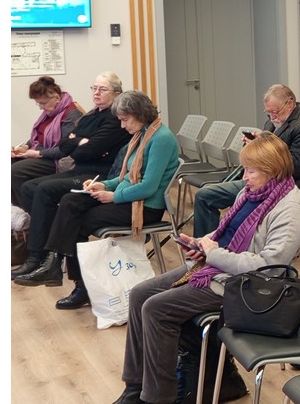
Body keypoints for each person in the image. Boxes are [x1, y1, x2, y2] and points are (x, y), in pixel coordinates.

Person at [111, 133, 300, 404]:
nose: (245, 176)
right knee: (139, 294)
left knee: (156, 309)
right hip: (218, 268)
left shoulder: (290, 207)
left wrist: (214, 253)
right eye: (245, 169)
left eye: (251, 170)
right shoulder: (251, 192)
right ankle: (136, 386)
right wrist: (202, 244)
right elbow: (228, 231)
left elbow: (267, 267)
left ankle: (157, 398)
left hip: (248, 286)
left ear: (272, 170)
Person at [13, 91, 180, 312]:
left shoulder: (161, 139)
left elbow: (148, 187)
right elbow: (127, 177)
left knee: (75, 221)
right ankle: (54, 265)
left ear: (140, 114)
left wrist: (114, 196)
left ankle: (75, 283)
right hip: (129, 196)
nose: (122, 126)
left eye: (125, 120)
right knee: (71, 201)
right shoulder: (144, 134)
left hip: (146, 207)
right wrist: (104, 185)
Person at [12, 71, 133, 278]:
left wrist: (77, 142)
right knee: (29, 187)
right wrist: (79, 142)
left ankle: (41, 256)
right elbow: (65, 144)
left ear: (116, 94)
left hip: (98, 175)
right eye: (94, 88)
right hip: (80, 169)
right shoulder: (91, 115)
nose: (96, 93)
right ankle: (42, 251)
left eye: (103, 89)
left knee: (43, 188)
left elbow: (86, 150)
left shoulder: (115, 119)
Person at [192, 84, 300, 237]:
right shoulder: (274, 120)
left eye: (275, 112)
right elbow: (265, 151)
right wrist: (254, 146)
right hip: (259, 179)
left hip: (280, 187)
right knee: (205, 194)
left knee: (205, 196)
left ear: (290, 103)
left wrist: (261, 151)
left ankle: (208, 247)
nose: (272, 117)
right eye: (269, 112)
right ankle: (207, 245)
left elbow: (296, 168)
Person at [11, 75, 84, 206]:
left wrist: (38, 153)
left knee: (15, 171)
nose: (41, 107)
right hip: (42, 154)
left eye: (43, 103)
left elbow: (65, 149)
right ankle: (20, 208)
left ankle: (28, 211)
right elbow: (39, 136)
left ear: (56, 97)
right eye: (38, 103)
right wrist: (25, 146)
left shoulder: (71, 114)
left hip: (56, 159)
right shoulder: (51, 112)